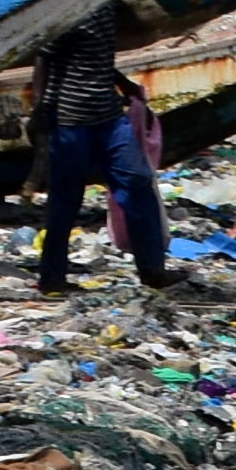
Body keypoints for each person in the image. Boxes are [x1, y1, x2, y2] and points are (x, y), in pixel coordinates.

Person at [28, 14, 163, 291]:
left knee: (138, 183)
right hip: (70, 121)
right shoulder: (73, 8)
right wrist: (39, 108)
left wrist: (122, 82)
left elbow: (96, 57)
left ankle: (153, 270)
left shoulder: (106, 4)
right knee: (65, 201)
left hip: (110, 118)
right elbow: (44, 58)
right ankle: (52, 279)